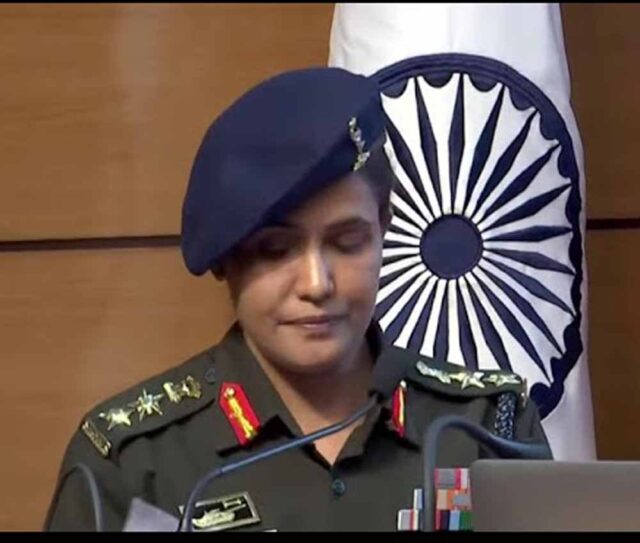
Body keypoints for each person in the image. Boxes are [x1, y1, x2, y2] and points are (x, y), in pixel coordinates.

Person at [44, 67, 551, 532]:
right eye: (276, 250)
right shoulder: (134, 463)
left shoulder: (487, 428)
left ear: (384, 228)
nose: (316, 283)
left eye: (347, 242)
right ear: (225, 260)